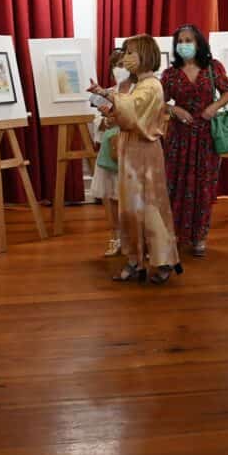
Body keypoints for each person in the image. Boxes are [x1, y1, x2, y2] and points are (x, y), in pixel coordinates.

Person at [88, 35, 182, 285]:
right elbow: (127, 115)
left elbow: (132, 112)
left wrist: (106, 95)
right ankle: (135, 259)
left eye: (131, 53)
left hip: (145, 151)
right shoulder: (138, 84)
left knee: (151, 206)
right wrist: (110, 111)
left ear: (145, 55)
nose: (126, 58)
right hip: (130, 149)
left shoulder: (151, 85)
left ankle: (162, 261)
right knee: (130, 208)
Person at [160, 24, 228, 257]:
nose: (184, 45)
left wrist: (214, 106)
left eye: (188, 40)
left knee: (203, 186)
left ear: (198, 43)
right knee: (175, 185)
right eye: (180, 41)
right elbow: (158, 102)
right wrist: (174, 110)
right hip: (179, 137)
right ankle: (174, 235)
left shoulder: (213, 67)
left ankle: (200, 238)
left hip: (206, 137)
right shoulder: (170, 74)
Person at [90, 50, 134, 256]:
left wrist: (119, 119)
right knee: (112, 196)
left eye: (123, 65)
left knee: (134, 197)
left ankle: (135, 238)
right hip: (111, 150)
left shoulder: (139, 92)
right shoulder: (104, 93)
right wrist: (105, 120)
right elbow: (96, 125)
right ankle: (115, 237)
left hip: (134, 151)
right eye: (116, 65)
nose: (119, 69)